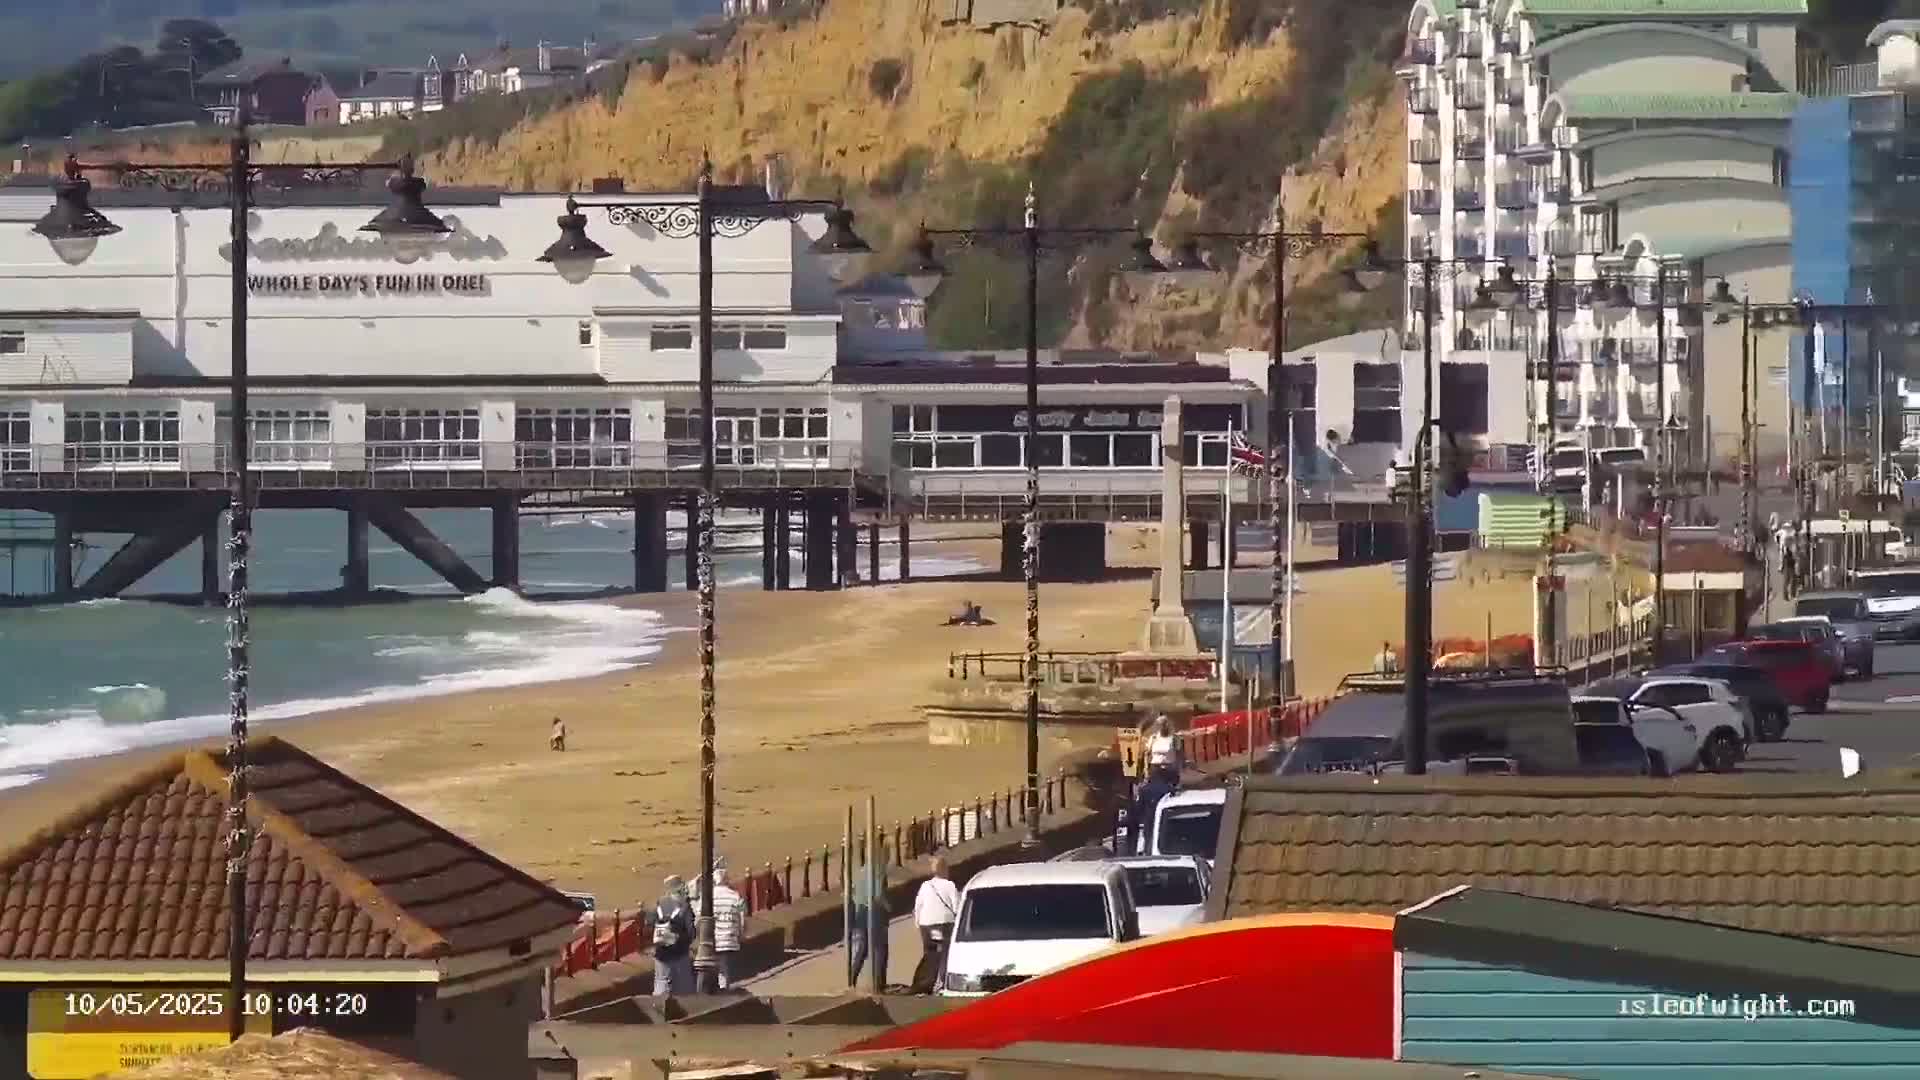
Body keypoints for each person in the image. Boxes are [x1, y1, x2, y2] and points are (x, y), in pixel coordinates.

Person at [909, 855, 960, 994]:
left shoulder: (925, 885)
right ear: (945, 869)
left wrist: (918, 923)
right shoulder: (950, 885)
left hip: (926, 924)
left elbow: (918, 906)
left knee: (930, 954)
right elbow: (957, 907)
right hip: (945, 923)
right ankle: (941, 983)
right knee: (945, 953)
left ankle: (926, 983)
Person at [849, 842, 889, 988]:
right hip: (875, 913)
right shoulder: (879, 872)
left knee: (863, 948)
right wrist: (888, 907)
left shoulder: (861, 871)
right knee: (880, 949)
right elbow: (878, 894)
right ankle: (879, 984)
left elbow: (854, 893)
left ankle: (851, 978)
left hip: (861, 912)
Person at [703, 863, 747, 990]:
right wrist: (741, 934)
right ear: (726, 880)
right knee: (724, 967)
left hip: (712, 938)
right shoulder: (735, 896)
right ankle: (723, 990)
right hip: (729, 938)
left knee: (714, 967)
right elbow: (742, 918)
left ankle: (715, 990)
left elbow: (700, 916)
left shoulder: (709, 897)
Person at [650, 875, 695, 996]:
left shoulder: (659, 903)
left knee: (661, 983)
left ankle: (658, 1004)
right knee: (684, 987)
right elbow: (691, 932)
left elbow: (650, 923)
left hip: (661, 953)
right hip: (679, 953)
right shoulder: (684, 907)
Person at [1128, 763, 1178, 855]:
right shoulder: (1169, 789)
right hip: (1166, 820)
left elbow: (1139, 808)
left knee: (1150, 843)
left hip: (1149, 821)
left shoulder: (1145, 790)